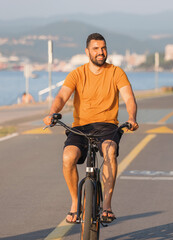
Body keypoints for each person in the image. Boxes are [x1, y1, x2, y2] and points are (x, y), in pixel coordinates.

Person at [43, 33, 138, 223]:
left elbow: (129, 98)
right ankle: (74, 203)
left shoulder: (116, 72)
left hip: (107, 126)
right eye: (96, 49)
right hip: (81, 127)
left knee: (109, 152)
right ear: (87, 52)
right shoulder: (77, 74)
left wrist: (131, 118)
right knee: (68, 156)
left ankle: (107, 206)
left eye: (103, 48)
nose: (101, 52)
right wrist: (52, 113)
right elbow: (62, 97)